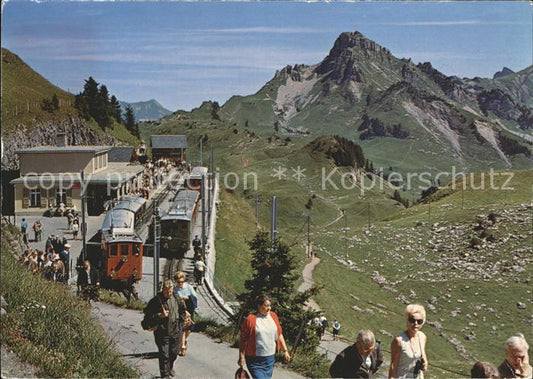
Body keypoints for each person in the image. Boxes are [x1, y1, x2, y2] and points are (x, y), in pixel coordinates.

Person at [238, 294, 291, 379]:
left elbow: (279, 334)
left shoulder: (273, 316)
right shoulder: (250, 319)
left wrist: (285, 351)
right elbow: (243, 339)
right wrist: (241, 356)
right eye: (266, 306)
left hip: (269, 359)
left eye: (270, 305)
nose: (269, 308)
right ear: (259, 306)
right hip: (254, 360)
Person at [143, 279, 186, 378]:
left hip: (176, 329)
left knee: (174, 353)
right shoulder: (156, 301)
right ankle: (165, 375)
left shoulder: (176, 297)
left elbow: (183, 310)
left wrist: (181, 323)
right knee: (164, 354)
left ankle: (169, 368)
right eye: (167, 291)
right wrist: (159, 315)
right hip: (162, 331)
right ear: (163, 290)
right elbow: (147, 315)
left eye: (170, 291)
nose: (169, 293)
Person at [389, 304, 428, 379]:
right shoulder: (399, 341)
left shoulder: (422, 337)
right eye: (412, 320)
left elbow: (423, 355)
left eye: (419, 321)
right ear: (407, 320)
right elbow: (393, 365)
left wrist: (425, 364)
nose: (415, 324)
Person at [173, 271, 197, 357]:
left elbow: (194, 297)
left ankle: (184, 340)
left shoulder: (189, 287)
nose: (180, 284)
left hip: (189, 309)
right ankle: (183, 347)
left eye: (182, 282)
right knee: (182, 329)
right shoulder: (174, 289)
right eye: (178, 282)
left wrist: (185, 297)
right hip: (180, 311)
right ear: (176, 281)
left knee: (189, 329)